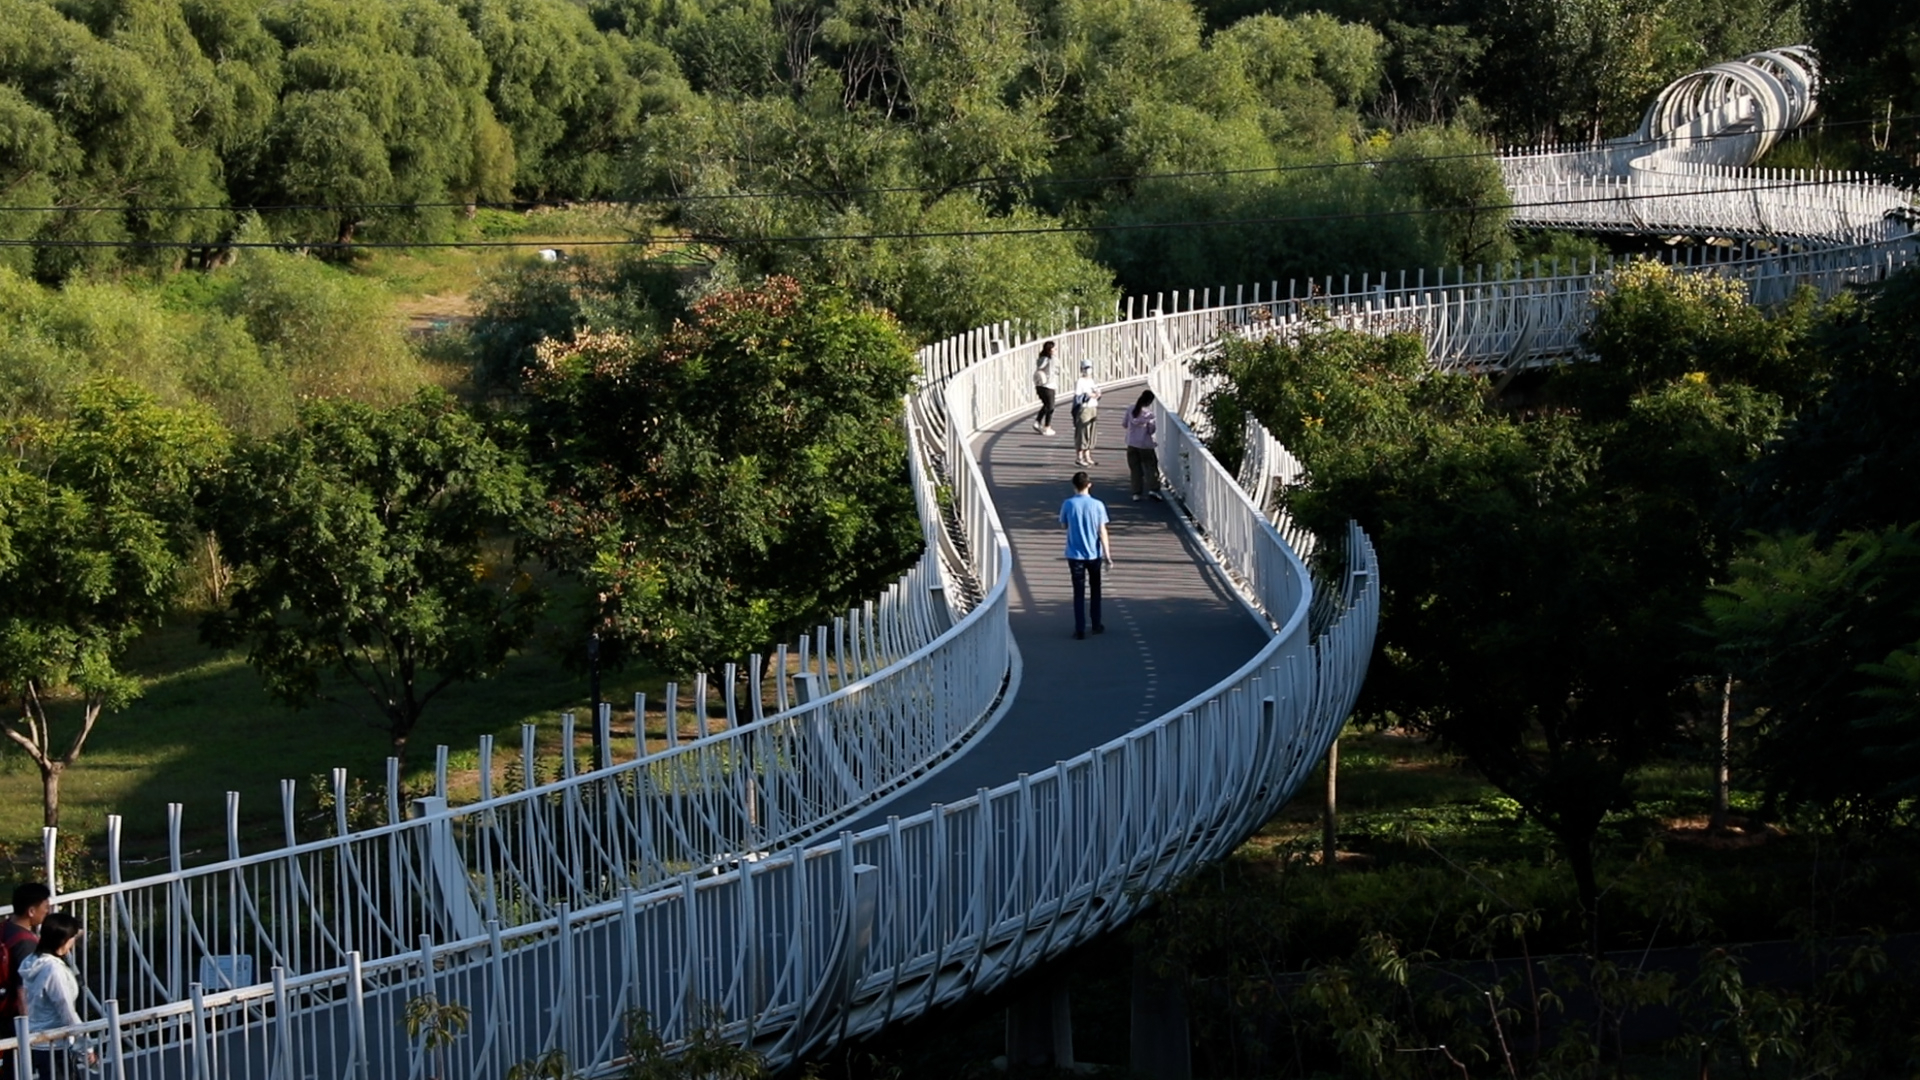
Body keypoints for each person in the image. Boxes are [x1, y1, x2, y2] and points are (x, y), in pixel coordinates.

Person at [18, 912, 93, 1079]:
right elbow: (66, 1011)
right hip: (56, 1043)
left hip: (39, 1041)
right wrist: (86, 1047)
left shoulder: (32, 961)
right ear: (64, 940)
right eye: (72, 937)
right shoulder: (53, 970)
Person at [1058, 471, 1112, 640]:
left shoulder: (1068, 504)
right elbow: (1102, 531)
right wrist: (1108, 555)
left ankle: (1079, 628)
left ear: (1074, 486)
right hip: (1094, 554)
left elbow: (1063, 525)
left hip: (1075, 554)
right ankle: (1096, 624)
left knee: (1078, 592)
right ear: (1089, 485)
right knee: (1095, 589)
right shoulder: (1098, 505)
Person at [0, 883, 50, 1024]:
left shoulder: (5, 927)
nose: (47, 911)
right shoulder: (26, 943)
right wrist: (28, 1027)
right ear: (31, 911)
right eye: (45, 907)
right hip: (12, 1014)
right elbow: (23, 989)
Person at [1121, 390, 1163, 502]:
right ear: (1150, 402)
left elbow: (1124, 424)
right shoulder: (1149, 415)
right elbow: (1151, 430)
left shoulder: (1131, 409)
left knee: (1135, 469)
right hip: (1145, 445)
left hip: (1131, 443)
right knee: (1150, 467)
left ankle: (1136, 493)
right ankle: (1153, 489)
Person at [1070, 360, 1101, 467]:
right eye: (1086, 368)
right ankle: (1079, 457)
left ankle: (1088, 456)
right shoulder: (1080, 381)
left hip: (1093, 407)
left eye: (1089, 368)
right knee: (1082, 432)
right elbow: (1078, 397)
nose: (1088, 370)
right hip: (1084, 409)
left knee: (1091, 432)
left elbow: (1096, 392)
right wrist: (1088, 395)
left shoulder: (1092, 381)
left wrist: (1097, 394)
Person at [1031, 340, 1058, 436]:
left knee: (1047, 405)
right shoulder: (1049, 359)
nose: (1056, 350)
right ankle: (1047, 427)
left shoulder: (1041, 359)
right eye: (1054, 349)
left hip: (1039, 385)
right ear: (1049, 350)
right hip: (1048, 385)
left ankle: (1038, 422)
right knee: (1050, 407)